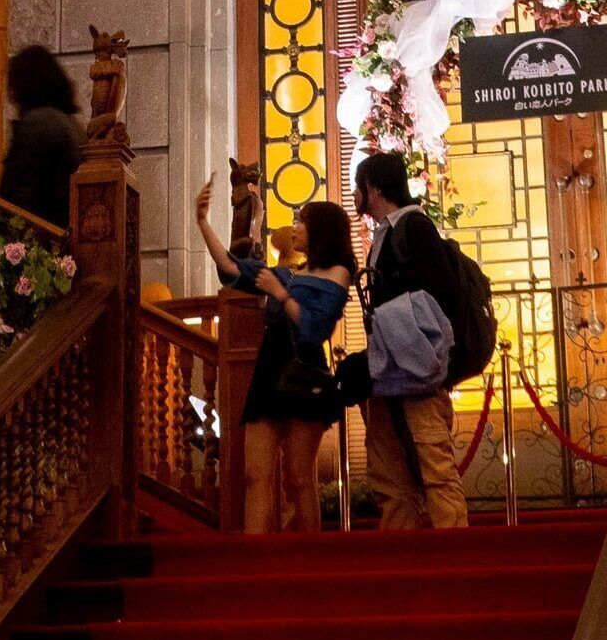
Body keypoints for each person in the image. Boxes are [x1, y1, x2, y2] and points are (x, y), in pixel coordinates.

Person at [193, 177, 355, 532]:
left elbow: (315, 329)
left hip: (304, 371)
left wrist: (281, 295)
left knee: (298, 477)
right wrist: (202, 221)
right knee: (255, 475)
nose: (294, 228)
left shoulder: (338, 273)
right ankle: (256, 562)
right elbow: (231, 268)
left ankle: (311, 565)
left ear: (321, 230)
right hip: (269, 370)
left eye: (302, 222)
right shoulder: (287, 273)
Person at [349, 150, 480, 529]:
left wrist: (403, 330)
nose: (355, 197)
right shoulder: (385, 231)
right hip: (389, 361)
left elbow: (440, 292)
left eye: (359, 188)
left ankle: (452, 546)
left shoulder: (414, 227)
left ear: (372, 188)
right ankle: (400, 545)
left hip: (418, 363)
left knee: (432, 457)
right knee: (387, 465)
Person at [0, 45, 84, 227]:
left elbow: (16, 196)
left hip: (43, 238)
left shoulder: (38, 122)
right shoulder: (71, 124)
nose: (10, 92)